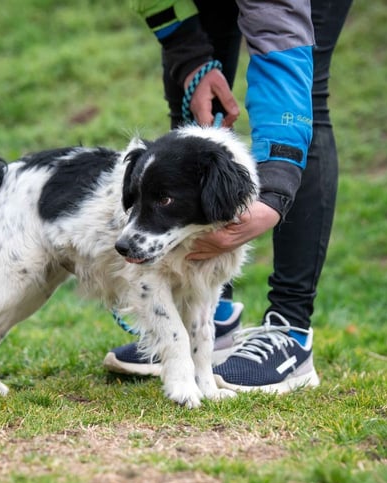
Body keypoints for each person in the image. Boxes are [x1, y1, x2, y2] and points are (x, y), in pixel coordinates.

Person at [103, 0, 353, 393]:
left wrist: (275, 193)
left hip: (284, 11)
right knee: (191, 94)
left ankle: (289, 328)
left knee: (306, 95)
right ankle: (207, 319)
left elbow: (280, 35)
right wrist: (190, 56)